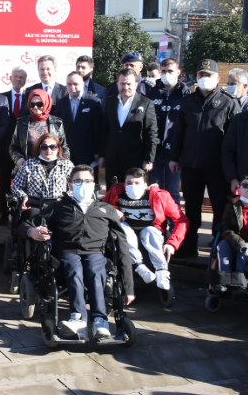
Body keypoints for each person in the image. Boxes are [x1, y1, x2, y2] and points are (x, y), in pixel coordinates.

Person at [22, 165, 133, 340]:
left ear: (94, 184)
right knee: (74, 270)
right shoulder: (57, 207)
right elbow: (27, 224)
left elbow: (123, 247)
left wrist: (129, 288)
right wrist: (32, 232)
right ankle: (78, 318)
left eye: (88, 181)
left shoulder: (106, 209)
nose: (83, 184)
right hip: (66, 251)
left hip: (95, 251)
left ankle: (100, 320)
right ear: (71, 185)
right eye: (78, 181)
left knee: (95, 271)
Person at [170, 59, 240, 257]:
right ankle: (189, 245)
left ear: (217, 78)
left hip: (217, 167)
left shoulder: (228, 102)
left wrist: (232, 168)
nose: (204, 78)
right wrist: (174, 157)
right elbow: (178, 133)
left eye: (208, 75)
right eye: (201, 75)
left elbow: (235, 138)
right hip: (191, 165)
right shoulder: (188, 102)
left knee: (219, 208)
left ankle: (218, 247)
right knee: (191, 207)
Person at [104, 168, 187, 295]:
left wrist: (172, 243)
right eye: (129, 183)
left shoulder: (160, 196)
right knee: (124, 231)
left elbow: (181, 220)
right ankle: (139, 266)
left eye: (137, 183)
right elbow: (99, 205)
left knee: (150, 233)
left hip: (150, 229)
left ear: (145, 185)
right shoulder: (116, 191)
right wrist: (112, 209)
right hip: (126, 229)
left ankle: (162, 271)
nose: (132, 186)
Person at [102, 68, 157, 183]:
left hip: (135, 159)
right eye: (122, 84)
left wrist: (148, 159)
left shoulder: (146, 103)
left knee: (131, 195)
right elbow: (104, 129)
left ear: (136, 84)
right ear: (117, 84)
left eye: (129, 84)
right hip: (113, 159)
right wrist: (102, 155)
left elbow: (151, 133)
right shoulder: (110, 101)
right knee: (112, 195)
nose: (125, 87)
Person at [146, 58, 185, 206]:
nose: (166, 74)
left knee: (173, 192)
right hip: (155, 153)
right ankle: (159, 227)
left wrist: (180, 155)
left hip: (174, 154)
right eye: (163, 71)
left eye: (170, 71)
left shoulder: (185, 94)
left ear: (178, 72)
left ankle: (175, 227)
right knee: (156, 191)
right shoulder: (152, 92)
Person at [0, 67, 32, 221]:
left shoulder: (31, 98)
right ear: (10, 78)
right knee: (4, 182)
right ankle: (3, 213)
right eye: (16, 76)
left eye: (22, 77)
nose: (19, 79)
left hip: (24, 150)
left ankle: (21, 214)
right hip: (4, 148)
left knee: (23, 185)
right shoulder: (1, 98)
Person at [9, 90, 69, 169]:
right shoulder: (21, 122)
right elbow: (13, 147)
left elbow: (63, 147)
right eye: (32, 104)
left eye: (39, 104)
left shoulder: (57, 122)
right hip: (28, 168)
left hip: (52, 168)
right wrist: (19, 159)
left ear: (46, 103)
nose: (35, 107)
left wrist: (62, 164)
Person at [54, 72, 104, 168]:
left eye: (75, 84)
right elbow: (56, 129)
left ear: (83, 84)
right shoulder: (60, 103)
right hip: (65, 155)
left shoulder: (93, 103)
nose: (72, 87)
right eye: (69, 84)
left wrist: (98, 152)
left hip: (88, 155)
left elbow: (98, 130)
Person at [11, 133, 75, 204]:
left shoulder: (67, 165)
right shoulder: (29, 164)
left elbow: (74, 187)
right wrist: (24, 197)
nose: (48, 150)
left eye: (53, 147)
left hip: (59, 204)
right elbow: (16, 186)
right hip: (35, 204)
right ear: (39, 149)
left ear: (58, 148)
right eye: (44, 147)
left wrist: (66, 198)